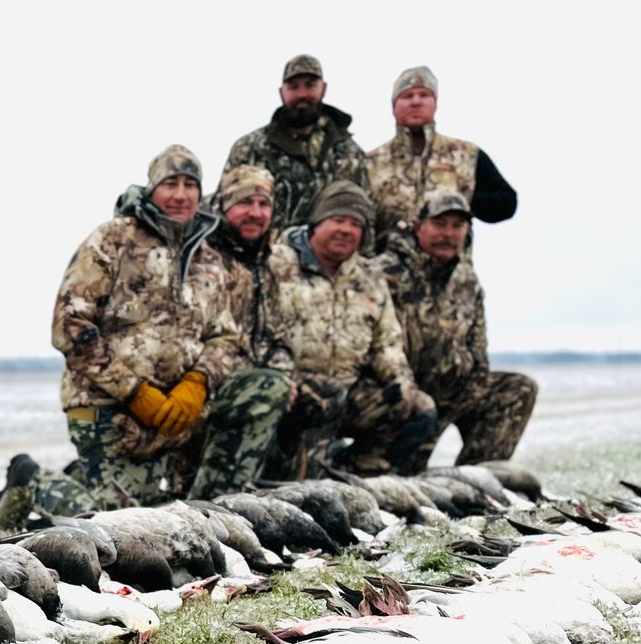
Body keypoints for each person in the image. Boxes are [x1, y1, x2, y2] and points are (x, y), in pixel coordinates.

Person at [12, 144, 240, 521]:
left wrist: (197, 383)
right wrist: (134, 391)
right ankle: (32, 481)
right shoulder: (112, 240)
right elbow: (69, 326)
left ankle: (88, 476)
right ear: (152, 189)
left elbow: (226, 336)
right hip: (106, 407)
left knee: (164, 517)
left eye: (190, 184)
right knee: (112, 524)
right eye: (171, 184)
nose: (181, 194)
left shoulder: (210, 260)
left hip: (174, 412)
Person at [354, 187, 536, 468]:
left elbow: (478, 351)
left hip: (450, 393)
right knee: (397, 480)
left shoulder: (467, 281)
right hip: (399, 395)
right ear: (418, 227)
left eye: (457, 225)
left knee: (518, 389)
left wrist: (465, 391)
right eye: (439, 224)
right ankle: (362, 460)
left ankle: (477, 479)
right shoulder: (381, 274)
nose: (448, 234)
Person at [268, 180, 436, 476]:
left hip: (350, 390)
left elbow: (387, 343)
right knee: (305, 480)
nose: (346, 230)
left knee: (419, 407)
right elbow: (264, 333)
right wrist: (285, 379)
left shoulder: (369, 276)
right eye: (338, 220)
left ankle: (365, 472)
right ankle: (297, 472)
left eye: (356, 224)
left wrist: (399, 382)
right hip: (296, 392)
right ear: (317, 223)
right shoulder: (277, 265)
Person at [179, 164, 294, 498]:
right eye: (245, 203)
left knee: (296, 393)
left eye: (264, 204)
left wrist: (282, 373)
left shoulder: (269, 263)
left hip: (245, 384)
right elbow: (198, 337)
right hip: (199, 385)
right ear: (224, 206)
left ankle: (246, 490)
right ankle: (213, 502)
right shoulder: (202, 257)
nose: (256, 213)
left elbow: (279, 334)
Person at [365, 66, 518, 245]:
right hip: (384, 268)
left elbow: (507, 203)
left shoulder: (466, 155)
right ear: (394, 107)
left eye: (424, 95)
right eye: (407, 96)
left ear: (435, 104)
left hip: (451, 269)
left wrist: (461, 199)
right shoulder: (369, 163)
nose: (416, 102)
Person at [222, 54, 372, 232]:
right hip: (264, 257)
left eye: (310, 85)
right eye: (293, 87)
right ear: (281, 93)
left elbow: (365, 214)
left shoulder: (350, 153)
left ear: (323, 89)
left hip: (329, 258)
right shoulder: (251, 148)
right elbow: (224, 206)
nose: (302, 94)